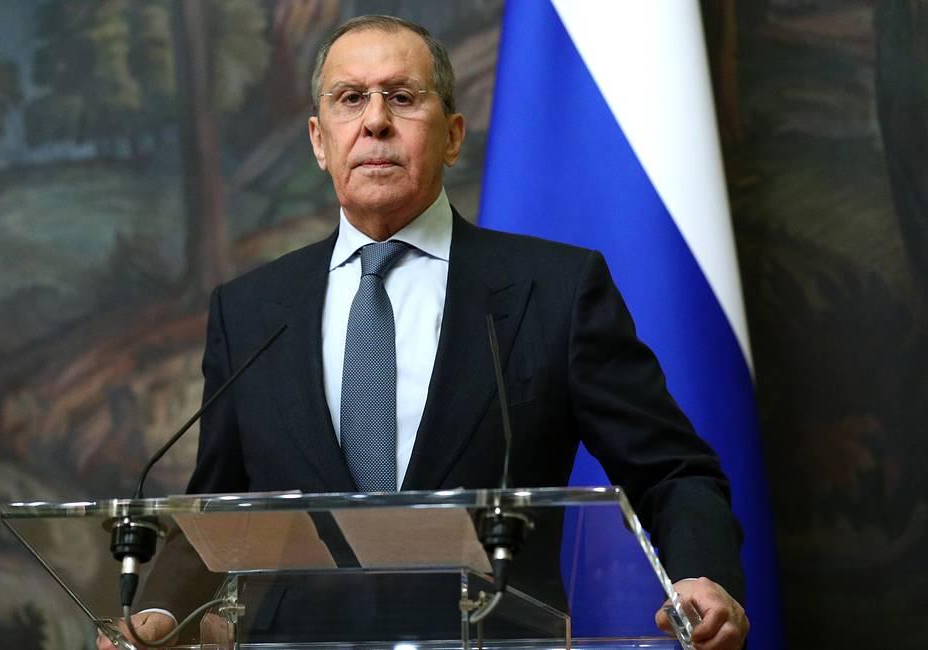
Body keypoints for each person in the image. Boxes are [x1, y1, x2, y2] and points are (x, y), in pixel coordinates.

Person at [102, 14, 749, 650]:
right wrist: (159, 613)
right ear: (319, 141)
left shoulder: (554, 290)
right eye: (350, 98)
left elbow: (673, 471)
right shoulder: (249, 311)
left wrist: (704, 576)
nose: (375, 121)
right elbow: (217, 504)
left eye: (403, 97)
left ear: (452, 136)